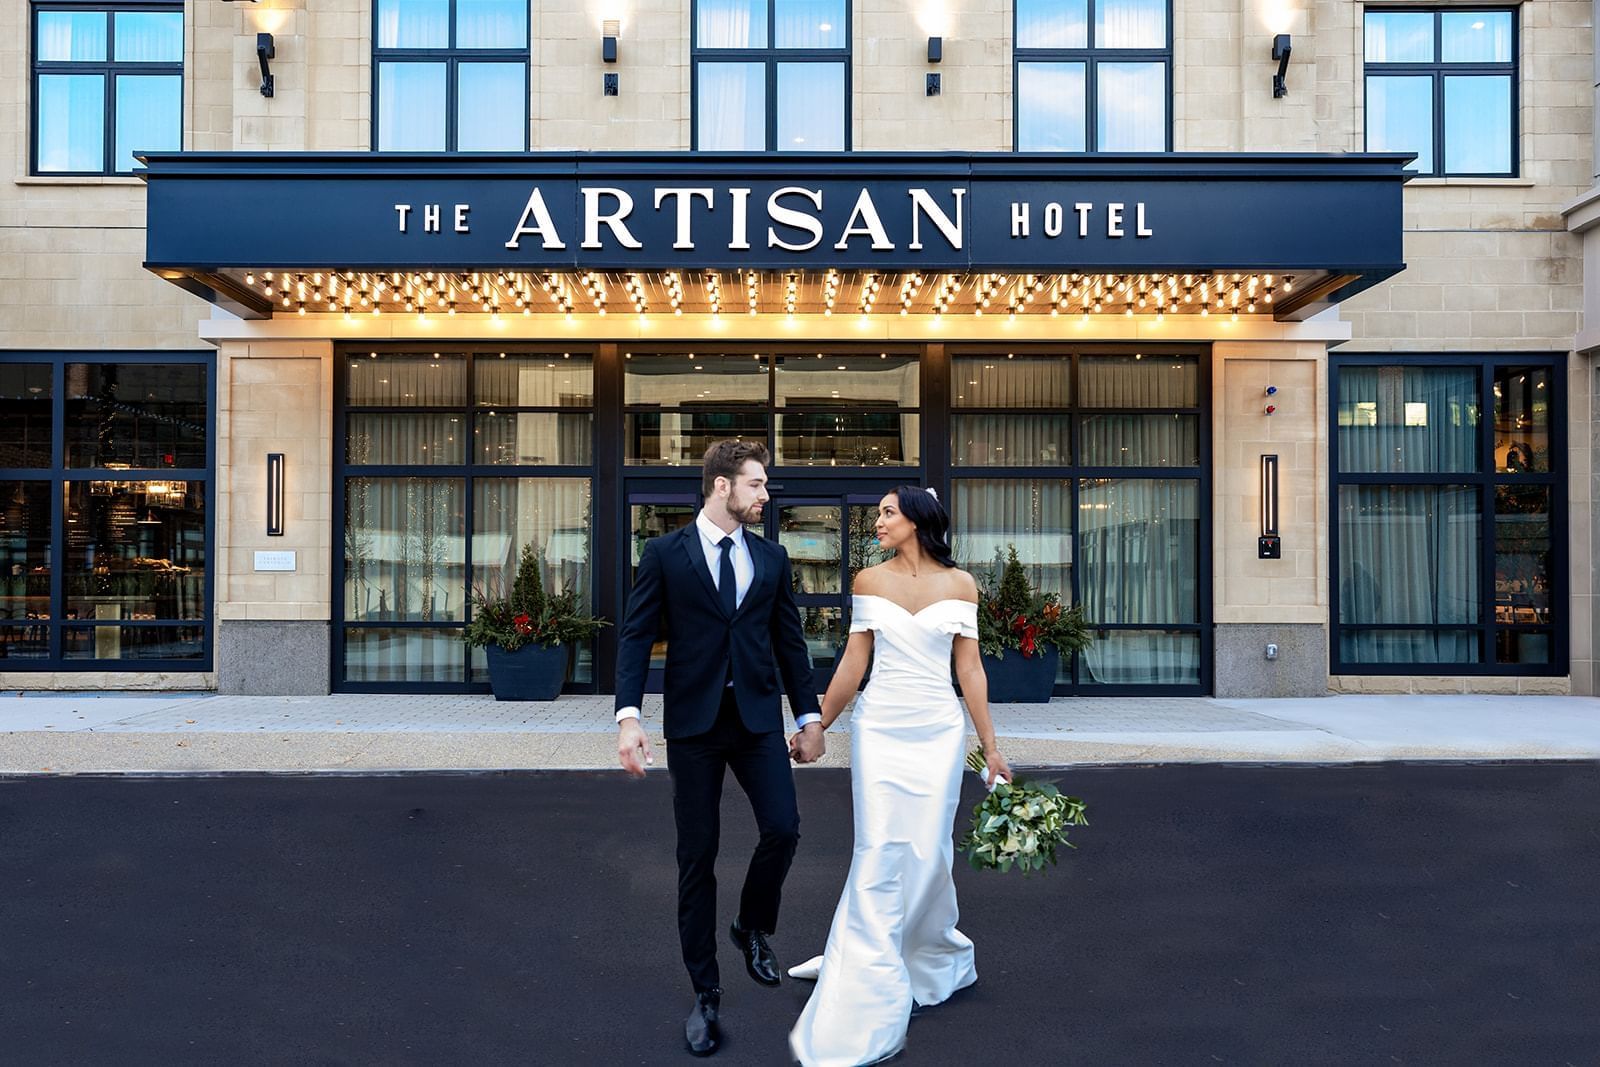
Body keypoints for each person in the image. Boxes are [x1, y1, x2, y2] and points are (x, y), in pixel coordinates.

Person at [614, 439, 825, 1058]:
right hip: (696, 728)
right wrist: (629, 719)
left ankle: (752, 925)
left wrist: (809, 717)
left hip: (758, 720)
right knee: (696, 857)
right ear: (721, 486)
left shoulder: (773, 558)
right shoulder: (664, 554)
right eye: (757, 484)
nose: (766, 494)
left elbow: (790, 645)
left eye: (765, 484)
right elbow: (634, 638)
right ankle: (705, 995)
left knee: (783, 829)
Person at [788, 485, 1012, 1067]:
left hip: (938, 732)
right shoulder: (869, 580)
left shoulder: (961, 586)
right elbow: (853, 662)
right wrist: (817, 724)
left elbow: (970, 669)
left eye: (888, 512)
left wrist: (990, 747)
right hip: (881, 728)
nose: (878, 521)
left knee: (930, 850)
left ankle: (926, 955)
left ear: (917, 519)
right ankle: (868, 969)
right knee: (880, 848)